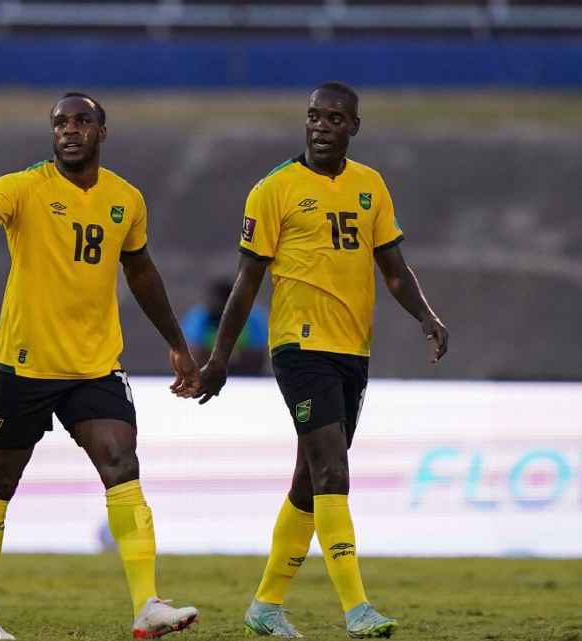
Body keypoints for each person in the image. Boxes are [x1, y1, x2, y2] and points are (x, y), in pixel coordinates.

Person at [0, 92, 202, 640]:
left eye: (81, 121)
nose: (69, 130)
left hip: (93, 365)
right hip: (23, 365)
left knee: (121, 461)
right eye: (60, 122)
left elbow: (141, 271)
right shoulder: (25, 187)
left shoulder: (125, 199)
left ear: (101, 132)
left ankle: (147, 605)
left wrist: (177, 343)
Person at [196, 82, 449, 639]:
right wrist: (219, 358)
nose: (321, 126)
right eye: (314, 116)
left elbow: (394, 269)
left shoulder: (370, 187)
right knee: (333, 467)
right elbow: (246, 283)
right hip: (299, 346)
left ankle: (265, 605)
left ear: (352, 127)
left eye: (334, 118)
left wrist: (426, 316)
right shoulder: (274, 189)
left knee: (310, 481)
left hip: (352, 349)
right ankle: (357, 608)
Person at [181, 278, 268, 375]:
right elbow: (193, 356)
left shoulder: (254, 318)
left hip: (245, 378)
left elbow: (258, 358)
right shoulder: (198, 317)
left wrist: (216, 358)